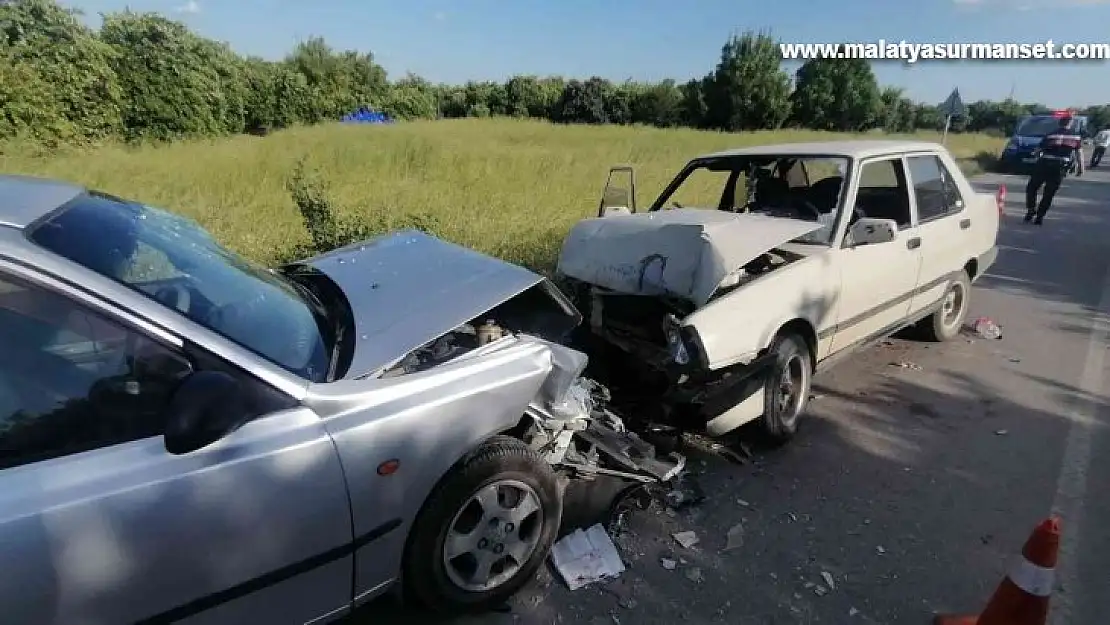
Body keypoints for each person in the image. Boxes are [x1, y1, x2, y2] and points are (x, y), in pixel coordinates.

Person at [1025, 116, 1084, 225]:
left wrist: (1033, 156)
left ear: (1060, 123)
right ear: (1070, 124)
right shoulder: (1075, 137)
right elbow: (1079, 153)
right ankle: (1040, 216)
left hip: (1045, 163)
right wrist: (1081, 167)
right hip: (1060, 166)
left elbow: (1038, 150)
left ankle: (1031, 209)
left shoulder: (1050, 134)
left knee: (1032, 187)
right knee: (1049, 193)